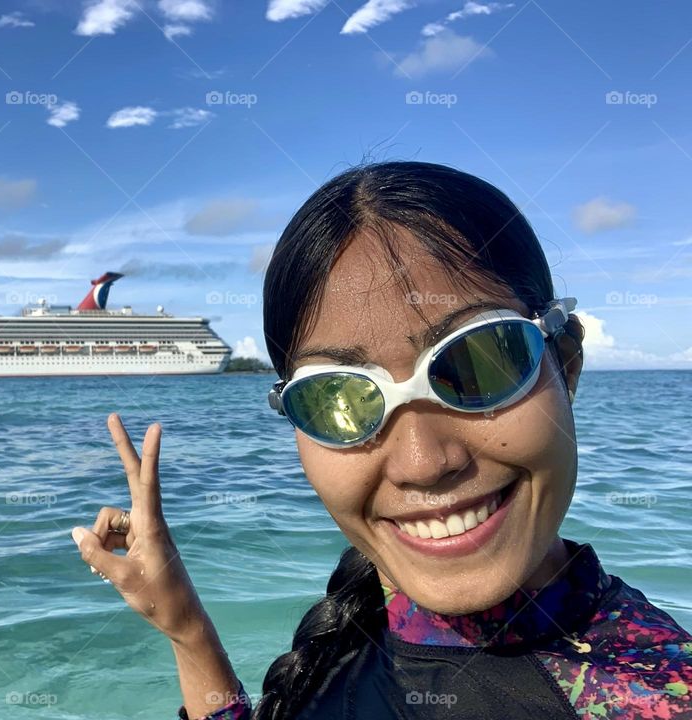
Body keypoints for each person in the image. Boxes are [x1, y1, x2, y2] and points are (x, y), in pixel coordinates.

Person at [70, 161, 692, 719]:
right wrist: (186, 627)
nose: (422, 463)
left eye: (478, 363)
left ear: (566, 363)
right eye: (338, 399)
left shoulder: (659, 694)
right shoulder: (363, 612)